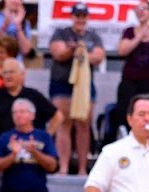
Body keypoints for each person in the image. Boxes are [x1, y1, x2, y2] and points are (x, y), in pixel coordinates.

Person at [47, 3, 106, 177]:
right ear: (72, 17)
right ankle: (63, 167)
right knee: (63, 123)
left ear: (87, 18)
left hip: (84, 85)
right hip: (62, 83)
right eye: (77, 16)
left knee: (83, 125)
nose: (80, 19)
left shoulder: (93, 36)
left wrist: (81, 52)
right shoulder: (61, 33)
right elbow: (58, 53)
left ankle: (82, 168)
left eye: (83, 16)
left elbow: (98, 56)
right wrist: (73, 50)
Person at [108, 1, 149, 144]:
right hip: (130, 80)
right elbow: (122, 51)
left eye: (144, 9)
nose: (140, 11)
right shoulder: (130, 31)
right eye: (138, 9)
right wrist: (140, 35)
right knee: (126, 112)